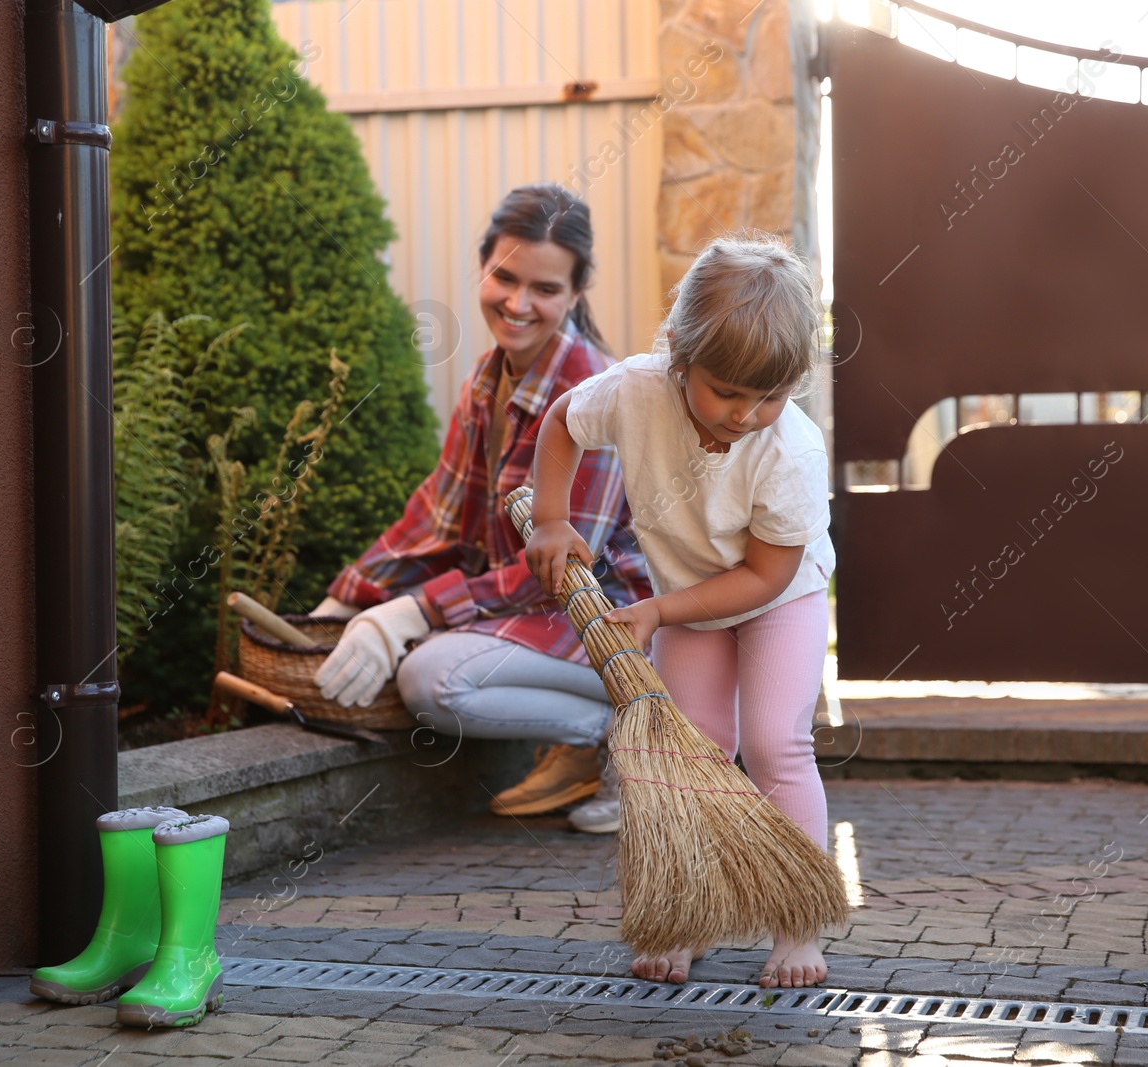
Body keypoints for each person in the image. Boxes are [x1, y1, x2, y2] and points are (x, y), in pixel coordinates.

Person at [524, 234, 835, 989]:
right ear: (681, 359)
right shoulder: (634, 389)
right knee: (685, 752)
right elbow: (563, 420)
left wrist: (661, 610)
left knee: (772, 743)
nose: (747, 413)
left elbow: (765, 575)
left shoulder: (789, 450)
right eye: (729, 391)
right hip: (688, 600)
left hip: (776, 600)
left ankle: (798, 923)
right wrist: (552, 519)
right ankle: (682, 914)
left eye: (770, 395)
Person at [311, 183, 650, 832]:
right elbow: (436, 518)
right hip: (534, 620)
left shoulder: (597, 398)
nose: (519, 304)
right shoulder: (486, 383)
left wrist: (417, 609)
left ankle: (630, 735)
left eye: (546, 290)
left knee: (431, 676)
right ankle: (585, 741)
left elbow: (556, 570)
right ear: (483, 268)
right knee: (418, 643)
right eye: (505, 277)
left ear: (576, 295)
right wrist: (344, 600)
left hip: (610, 620)